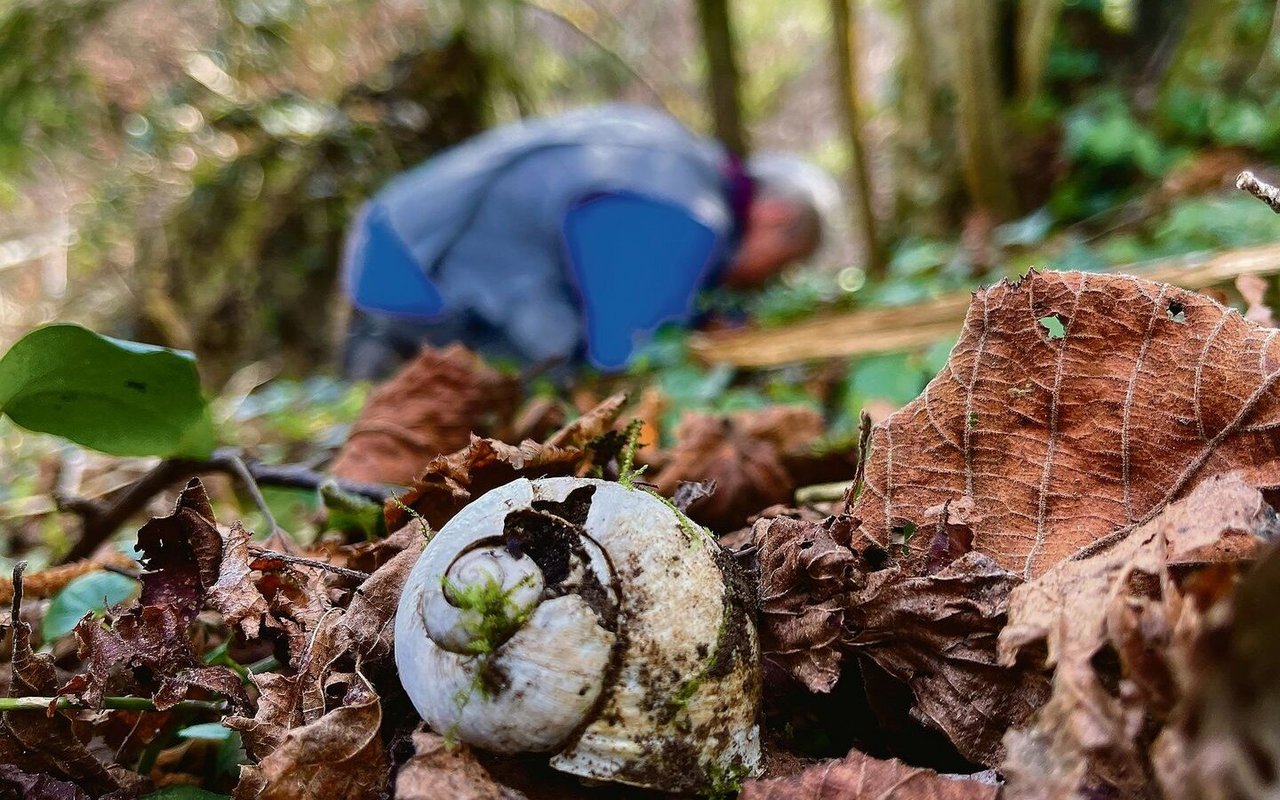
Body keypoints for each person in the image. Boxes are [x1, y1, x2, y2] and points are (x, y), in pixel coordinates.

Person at [340, 103, 834, 381]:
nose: (764, 281)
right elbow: (624, 355)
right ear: (774, 216)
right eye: (779, 265)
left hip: (399, 240)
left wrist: (701, 321)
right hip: (412, 271)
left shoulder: (676, 165)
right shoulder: (685, 211)